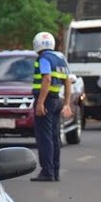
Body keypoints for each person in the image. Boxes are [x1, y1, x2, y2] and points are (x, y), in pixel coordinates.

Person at [30, 31, 72, 182]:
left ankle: (47, 172)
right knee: (54, 137)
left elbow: (46, 79)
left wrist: (40, 102)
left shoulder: (44, 58)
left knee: (44, 137)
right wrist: (66, 103)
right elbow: (68, 82)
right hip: (57, 101)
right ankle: (55, 171)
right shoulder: (61, 58)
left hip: (46, 102)